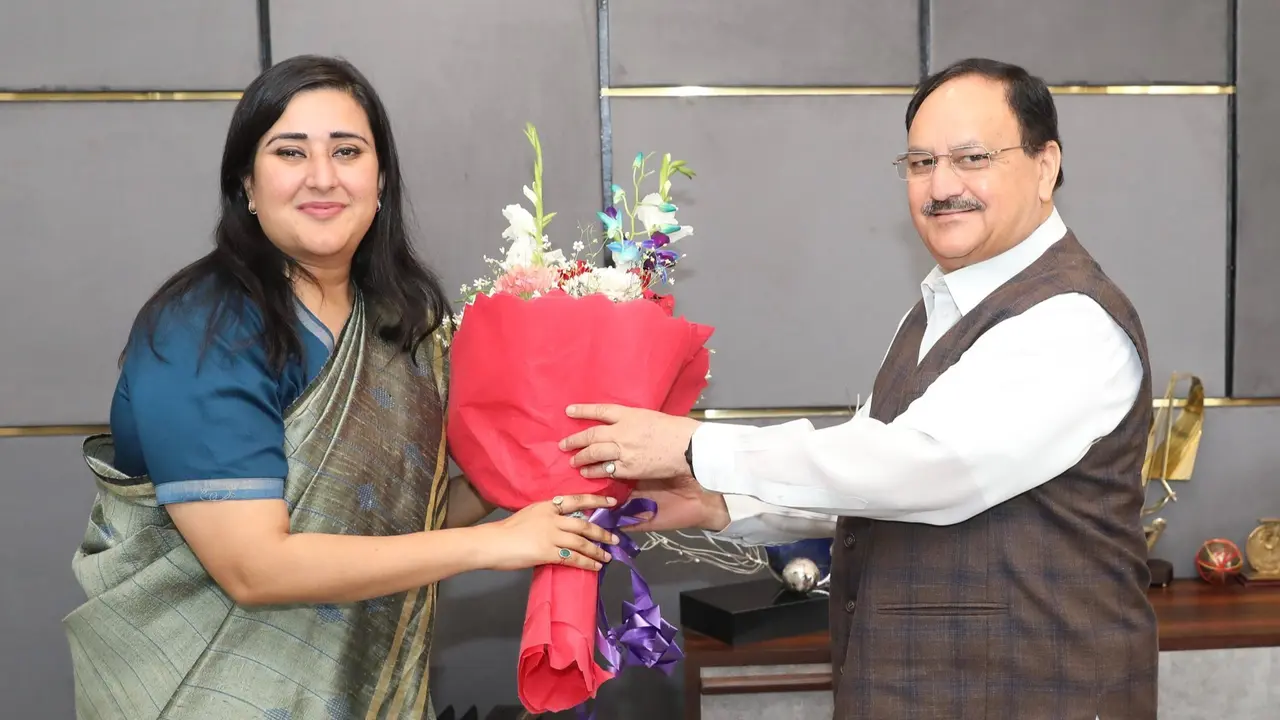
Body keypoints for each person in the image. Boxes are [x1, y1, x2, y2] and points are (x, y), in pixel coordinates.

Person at [559, 57, 1159, 719]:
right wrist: (718, 504)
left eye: (972, 157)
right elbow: (872, 480)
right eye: (921, 163)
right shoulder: (938, 306)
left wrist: (699, 448)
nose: (942, 185)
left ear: (1045, 167)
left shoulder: (1069, 319)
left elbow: (926, 468)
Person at [65, 55, 618, 720]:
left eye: (347, 151)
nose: (322, 177)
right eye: (289, 151)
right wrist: (494, 545)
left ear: (380, 179)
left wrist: (543, 469)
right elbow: (254, 568)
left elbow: (410, 521)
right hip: (197, 694)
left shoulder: (398, 322)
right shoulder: (204, 332)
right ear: (246, 181)